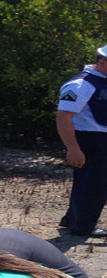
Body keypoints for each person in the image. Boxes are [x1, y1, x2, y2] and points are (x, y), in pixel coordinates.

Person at [56, 44, 107, 236]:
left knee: (95, 182)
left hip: (101, 138)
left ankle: (72, 219)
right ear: (102, 62)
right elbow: (63, 117)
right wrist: (73, 148)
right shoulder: (81, 85)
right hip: (90, 139)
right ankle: (83, 226)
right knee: (92, 184)